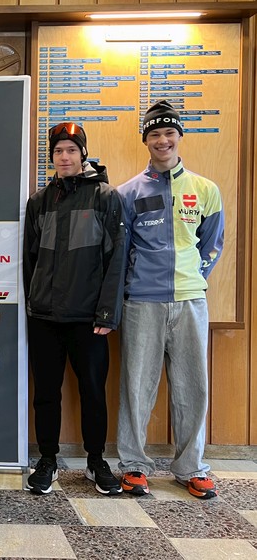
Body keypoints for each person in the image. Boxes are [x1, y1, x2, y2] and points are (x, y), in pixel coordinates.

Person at [116, 100, 224, 499]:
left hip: (191, 301)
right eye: (155, 134)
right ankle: (134, 465)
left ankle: (191, 467)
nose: (162, 140)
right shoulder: (127, 192)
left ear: (179, 136)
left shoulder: (205, 190)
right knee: (136, 386)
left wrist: (192, 279)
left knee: (193, 387)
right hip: (141, 302)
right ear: (145, 140)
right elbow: (121, 251)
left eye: (168, 133)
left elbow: (212, 245)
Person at [22, 122, 125, 496]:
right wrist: (33, 304)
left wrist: (107, 313)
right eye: (58, 151)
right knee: (46, 393)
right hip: (45, 317)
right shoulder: (39, 201)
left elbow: (117, 259)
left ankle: (96, 461)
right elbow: (29, 261)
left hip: (89, 319)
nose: (64, 157)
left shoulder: (105, 197)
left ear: (83, 154)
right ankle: (47, 460)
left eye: (71, 150)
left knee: (93, 392)